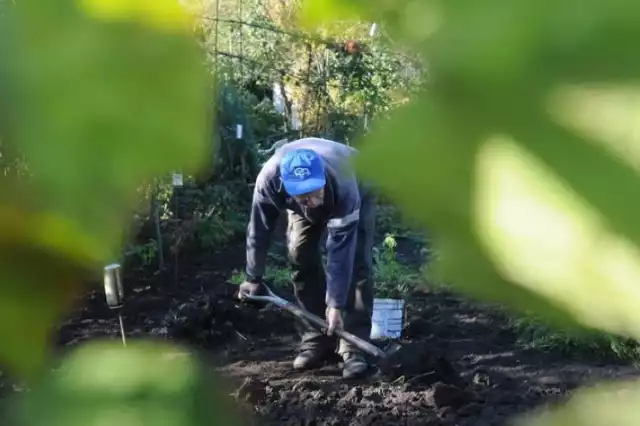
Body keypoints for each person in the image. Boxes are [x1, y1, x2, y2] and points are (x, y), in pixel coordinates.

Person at [238, 137, 376, 379]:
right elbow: (259, 230)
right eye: (303, 197)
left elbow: (340, 251)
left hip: (359, 181)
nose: (312, 202)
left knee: (356, 262)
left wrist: (335, 303)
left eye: (314, 193)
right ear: (286, 186)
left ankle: (354, 346)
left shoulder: (344, 186)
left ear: (321, 178)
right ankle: (315, 337)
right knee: (299, 255)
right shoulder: (268, 182)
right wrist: (253, 276)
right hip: (304, 199)